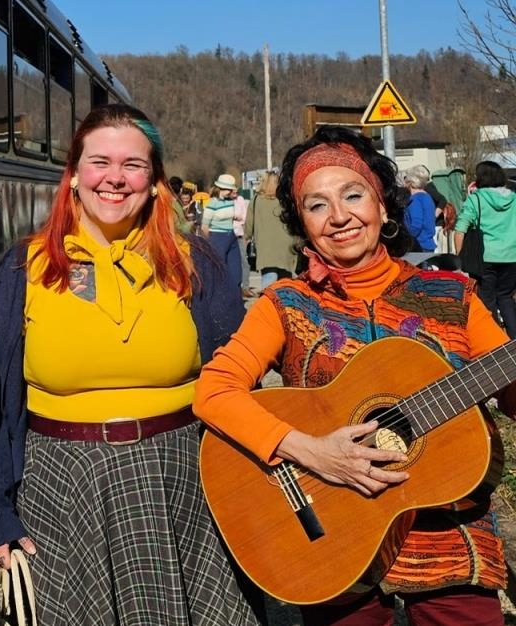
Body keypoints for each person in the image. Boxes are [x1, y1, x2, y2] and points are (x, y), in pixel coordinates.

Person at [194, 125, 516, 625]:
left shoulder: (454, 296)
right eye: (317, 205)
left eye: (352, 195)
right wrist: (309, 450)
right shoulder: (286, 304)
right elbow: (214, 391)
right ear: (301, 223)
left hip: (452, 538)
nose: (339, 216)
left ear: (383, 206)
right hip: (332, 540)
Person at [0, 103, 263, 626]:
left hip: (183, 482)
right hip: (60, 486)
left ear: (154, 182)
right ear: (73, 175)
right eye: (100, 162)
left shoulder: (197, 263)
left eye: (133, 164)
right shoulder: (23, 267)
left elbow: (240, 386)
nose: (115, 178)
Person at [455, 160, 516, 338]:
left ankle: (497, 341)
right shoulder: (513, 198)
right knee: (505, 297)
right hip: (512, 256)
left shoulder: (476, 199)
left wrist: (460, 257)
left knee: (487, 301)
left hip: (485, 258)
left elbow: (460, 229)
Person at [245, 170, 298, 288]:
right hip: (286, 246)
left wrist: (246, 237)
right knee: (285, 279)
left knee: (269, 276)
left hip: (265, 247)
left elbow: (249, 224)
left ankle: (268, 298)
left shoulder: (256, 200)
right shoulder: (285, 201)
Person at [201, 173, 244, 296]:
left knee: (236, 270)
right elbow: (204, 225)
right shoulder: (212, 203)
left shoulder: (230, 201)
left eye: (231, 189)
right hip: (217, 237)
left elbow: (227, 214)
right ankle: (218, 297)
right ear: (220, 188)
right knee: (219, 270)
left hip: (231, 236)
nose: (230, 192)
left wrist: (235, 217)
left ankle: (235, 296)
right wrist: (210, 240)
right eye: (228, 189)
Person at [401, 166, 437, 257]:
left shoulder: (415, 199)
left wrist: (407, 239)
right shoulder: (427, 197)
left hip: (418, 246)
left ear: (410, 182)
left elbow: (416, 224)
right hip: (428, 244)